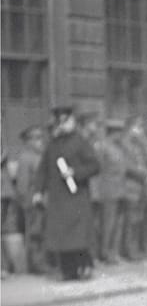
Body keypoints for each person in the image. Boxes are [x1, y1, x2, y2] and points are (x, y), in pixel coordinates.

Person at [36, 105, 100, 280]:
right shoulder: (53, 144)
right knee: (62, 238)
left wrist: (75, 172)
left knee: (78, 237)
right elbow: (43, 169)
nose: (62, 125)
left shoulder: (80, 142)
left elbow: (94, 166)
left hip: (76, 196)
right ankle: (67, 271)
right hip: (58, 199)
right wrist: (38, 191)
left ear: (72, 122)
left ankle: (84, 267)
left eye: (66, 121)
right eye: (59, 121)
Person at [93, 119, 129, 264]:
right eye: (119, 132)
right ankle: (104, 252)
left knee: (117, 224)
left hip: (120, 189)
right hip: (107, 191)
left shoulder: (119, 148)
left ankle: (113, 252)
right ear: (112, 132)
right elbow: (97, 171)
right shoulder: (102, 147)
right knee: (107, 224)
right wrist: (96, 192)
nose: (121, 135)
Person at [13, 125, 48, 273]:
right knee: (35, 235)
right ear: (28, 141)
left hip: (45, 202)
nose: (40, 141)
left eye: (41, 137)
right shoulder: (25, 158)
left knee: (43, 234)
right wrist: (28, 204)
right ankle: (36, 265)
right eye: (36, 138)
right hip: (34, 204)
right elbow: (22, 186)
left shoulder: (41, 156)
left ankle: (43, 262)